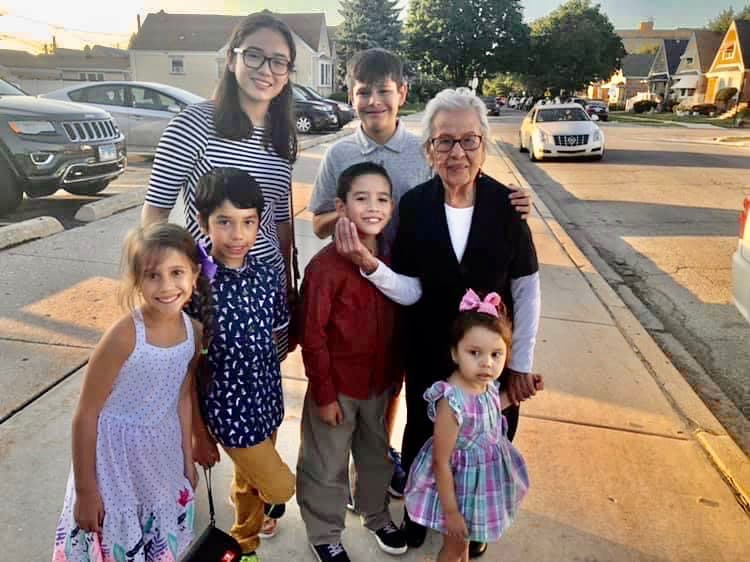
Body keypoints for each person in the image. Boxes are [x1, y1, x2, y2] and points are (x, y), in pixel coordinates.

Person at [308, 47, 532, 502]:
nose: (374, 101)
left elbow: (463, 179)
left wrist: (512, 202)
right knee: (367, 386)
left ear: (402, 93)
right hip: (367, 287)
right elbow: (317, 222)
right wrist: (357, 215)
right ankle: (365, 471)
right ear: (350, 96)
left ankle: (385, 466)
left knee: (394, 386)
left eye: (384, 91)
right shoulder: (340, 154)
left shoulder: (425, 150)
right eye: (363, 92)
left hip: (413, 291)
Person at [335, 87, 541, 559]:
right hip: (429, 351)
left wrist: (522, 361)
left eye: (469, 140)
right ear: (429, 149)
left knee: (487, 439)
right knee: (422, 435)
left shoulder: (507, 206)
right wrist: (371, 266)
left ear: (484, 144)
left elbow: (527, 288)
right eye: (444, 141)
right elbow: (412, 289)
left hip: (491, 357)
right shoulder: (416, 207)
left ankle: (477, 520)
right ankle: (419, 512)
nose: (457, 152)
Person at [141, 12, 298, 362]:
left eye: (279, 61)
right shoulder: (192, 125)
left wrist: (286, 284)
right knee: (207, 383)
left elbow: (280, 221)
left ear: (288, 73)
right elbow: (155, 213)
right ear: (231, 59)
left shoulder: (282, 136)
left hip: (265, 291)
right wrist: (158, 283)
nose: (266, 70)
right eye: (254, 55)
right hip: (208, 292)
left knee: (262, 380)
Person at [52, 223, 203, 562]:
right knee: (116, 539)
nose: (166, 286)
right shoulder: (124, 336)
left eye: (176, 272)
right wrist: (86, 491)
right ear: (137, 280)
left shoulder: (193, 332)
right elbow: (86, 414)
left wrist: (187, 460)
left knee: (157, 541)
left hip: (161, 456)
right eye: (153, 276)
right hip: (114, 461)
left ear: (194, 274)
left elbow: (181, 399)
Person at [296, 162, 407, 562]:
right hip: (337, 388)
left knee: (376, 456)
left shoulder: (393, 260)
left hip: (379, 384)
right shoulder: (325, 268)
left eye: (382, 199)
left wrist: (395, 378)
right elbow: (312, 336)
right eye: (361, 198)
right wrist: (325, 395)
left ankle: (375, 514)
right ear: (341, 207)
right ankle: (324, 532)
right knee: (326, 463)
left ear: (392, 207)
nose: (373, 207)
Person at [188, 168, 295, 562]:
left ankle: (245, 544)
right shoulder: (193, 284)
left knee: (248, 482)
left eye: (248, 222)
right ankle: (257, 517)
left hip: (266, 400)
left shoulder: (267, 274)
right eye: (225, 222)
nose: (238, 235)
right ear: (203, 222)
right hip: (228, 411)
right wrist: (198, 431)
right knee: (280, 487)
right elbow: (186, 368)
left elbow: (277, 333)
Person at [405, 290, 543, 562]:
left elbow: (490, 408)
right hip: (458, 489)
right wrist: (451, 512)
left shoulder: (486, 386)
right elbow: (441, 462)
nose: (486, 363)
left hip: (480, 484)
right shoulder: (451, 402)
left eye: (496, 354)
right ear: (455, 353)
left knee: (464, 547)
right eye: (474, 353)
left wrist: (520, 393)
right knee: (454, 548)